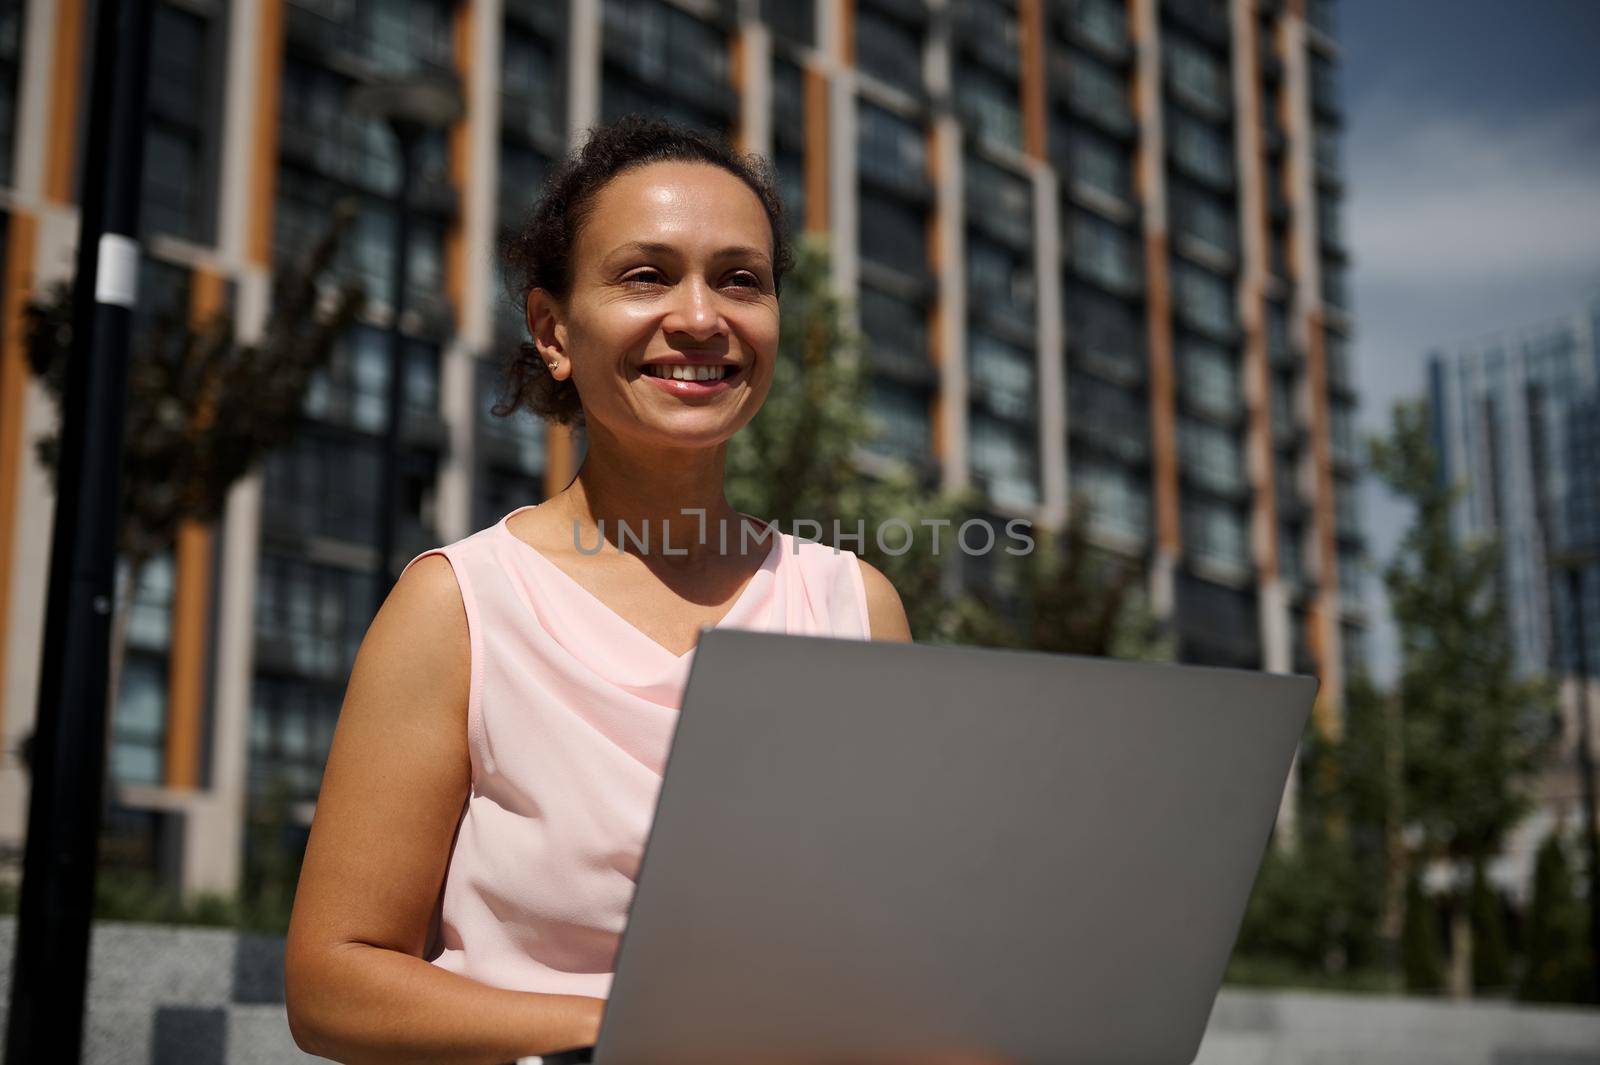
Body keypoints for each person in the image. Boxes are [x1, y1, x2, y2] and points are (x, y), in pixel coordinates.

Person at [282, 115, 913, 1064]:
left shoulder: (857, 607)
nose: (702, 316)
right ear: (553, 331)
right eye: (647, 275)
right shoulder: (458, 606)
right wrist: (629, 1032)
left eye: (741, 278)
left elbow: (902, 947)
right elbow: (333, 981)